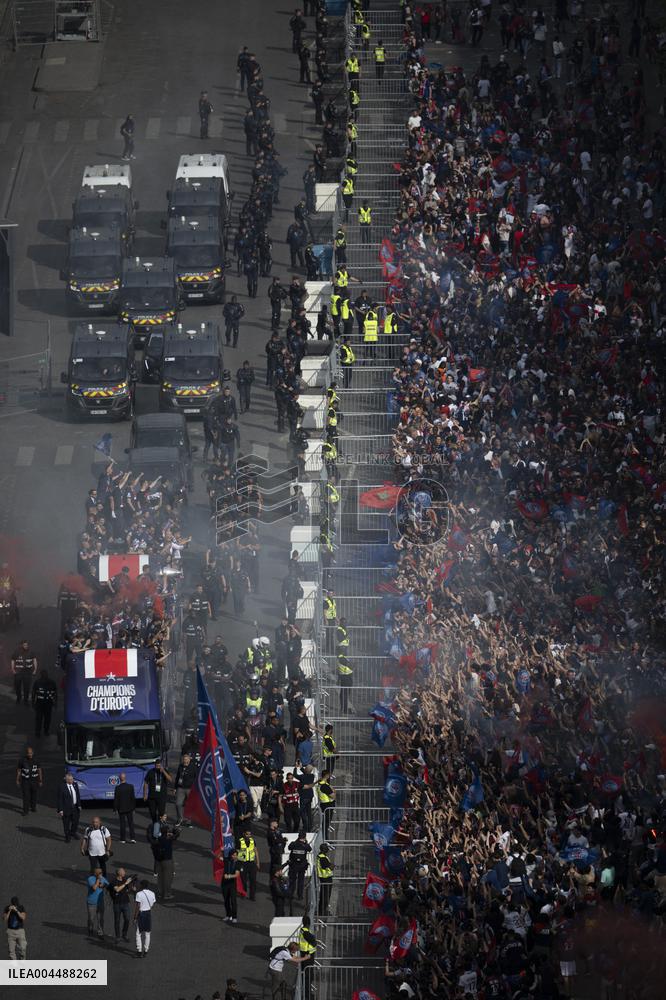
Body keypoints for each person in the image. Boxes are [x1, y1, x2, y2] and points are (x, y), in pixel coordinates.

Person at [110, 868, 135, 944]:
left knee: (127, 919)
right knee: (117, 921)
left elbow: (128, 890)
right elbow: (117, 890)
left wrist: (132, 887)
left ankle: (124, 934)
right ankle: (118, 937)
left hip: (125, 903)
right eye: (123, 872)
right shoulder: (113, 881)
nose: (125, 873)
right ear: (119, 873)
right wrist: (125, 884)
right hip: (117, 904)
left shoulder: (125, 880)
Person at [16, 746, 42, 815]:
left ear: (33, 753)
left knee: (34, 794)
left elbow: (39, 770)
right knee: (26, 796)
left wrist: (40, 780)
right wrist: (17, 779)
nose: (29, 754)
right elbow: (19, 770)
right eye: (28, 753)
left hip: (34, 780)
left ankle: (33, 807)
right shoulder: (22, 761)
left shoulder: (36, 760)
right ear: (26, 753)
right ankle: (25, 810)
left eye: (31, 753)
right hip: (25, 781)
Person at [56, 771, 81, 842]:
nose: (71, 781)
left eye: (72, 779)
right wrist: (60, 810)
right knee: (66, 824)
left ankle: (73, 832)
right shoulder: (61, 787)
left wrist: (79, 805)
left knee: (75, 822)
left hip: (75, 808)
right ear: (66, 780)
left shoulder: (75, 785)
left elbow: (78, 796)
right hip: (66, 809)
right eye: (70, 780)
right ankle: (67, 836)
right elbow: (59, 799)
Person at [31, 668, 56, 737]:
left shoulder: (51, 682)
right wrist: (33, 702)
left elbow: (55, 693)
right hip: (40, 703)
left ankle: (45, 731)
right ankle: (38, 732)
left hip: (48, 703)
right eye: (43, 674)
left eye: (45, 674)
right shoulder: (37, 682)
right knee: (39, 718)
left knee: (47, 719)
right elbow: (33, 693)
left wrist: (55, 703)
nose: (44, 675)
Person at [287, 829, 311, 901]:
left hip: (293, 865)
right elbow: (310, 849)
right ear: (304, 837)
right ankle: (300, 896)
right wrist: (305, 843)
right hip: (302, 866)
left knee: (292, 881)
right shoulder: (305, 846)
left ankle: (291, 894)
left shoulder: (293, 844)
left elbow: (289, 848)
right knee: (301, 881)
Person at [174, 752, 197, 826]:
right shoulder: (180, 766)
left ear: (189, 760)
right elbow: (177, 777)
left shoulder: (193, 767)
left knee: (189, 805)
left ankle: (188, 821)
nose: (184, 761)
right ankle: (180, 819)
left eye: (186, 759)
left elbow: (196, 778)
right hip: (180, 788)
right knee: (178, 803)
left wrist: (195, 789)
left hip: (190, 789)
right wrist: (175, 788)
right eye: (183, 759)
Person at [134, 880, 156, 956]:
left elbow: (137, 906)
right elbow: (152, 904)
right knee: (147, 933)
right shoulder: (152, 893)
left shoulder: (139, 894)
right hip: (148, 913)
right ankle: (146, 950)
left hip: (141, 914)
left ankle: (139, 950)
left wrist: (135, 917)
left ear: (141, 885)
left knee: (138, 933)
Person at [113, 772, 136, 843]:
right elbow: (133, 798)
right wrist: (134, 808)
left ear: (120, 779)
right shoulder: (131, 786)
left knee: (122, 824)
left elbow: (116, 799)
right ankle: (132, 838)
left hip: (121, 808)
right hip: (129, 808)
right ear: (125, 778)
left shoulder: (117, 788)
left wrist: (115, 809)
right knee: (131, 824)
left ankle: (123, 839)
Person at [11, 639, 37, 706]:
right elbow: (13, 660)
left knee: (27, 687)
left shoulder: (31, 652)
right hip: (18, 672)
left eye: (27, 645)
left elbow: (34, 660)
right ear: (21, 645)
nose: (26, 646)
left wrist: (35, 670)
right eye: (25, 645)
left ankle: (26, 700)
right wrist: (13, 669)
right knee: (17, 686)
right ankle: (18, 698)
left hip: (27, 672)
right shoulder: (17, 652)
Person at [237, 828, 260, 901]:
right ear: (244, 834)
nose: (249, 836)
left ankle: (252, 896)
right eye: (247, 834)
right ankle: (243, 893)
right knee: (243, 880)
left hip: (251, 863)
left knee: (253, 880)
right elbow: (236, 851)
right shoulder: (240, 841)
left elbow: (256, 851)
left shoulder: (253, 841)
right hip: (243, 863)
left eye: (250, 834)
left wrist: (258, 862)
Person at [86, 867, 108, 939]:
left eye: (101, 872)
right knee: (91, 918)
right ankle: (90, 929)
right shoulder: (90, 879)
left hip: (100, 902)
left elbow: (108, 885)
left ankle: (100, 933)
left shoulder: (103, 878)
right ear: (95, 873)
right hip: (92, 902)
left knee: (101, 918)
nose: (101, 874)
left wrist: (104, 885)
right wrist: (98, 880)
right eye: (99, 873)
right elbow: (94, 888)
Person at [221, 848, 240, 923]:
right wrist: (221, 851)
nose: (235, 856)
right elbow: (217, 857)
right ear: (230, 855)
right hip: (224, 884)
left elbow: (237, 875)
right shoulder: (226, 860)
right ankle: (228, 915)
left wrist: (228, 876)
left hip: (232, 884)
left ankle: (234, 917)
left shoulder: (237, 863)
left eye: (236, 855)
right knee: (226, 900)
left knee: (233, 900)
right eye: (233, 855)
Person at [317, 771, 335, 840]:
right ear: (327, 776)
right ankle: (325, 839)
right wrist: (334, 791)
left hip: (324, 805)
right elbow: (333, 796)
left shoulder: (321, 783)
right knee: (326, 824)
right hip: (328, 806)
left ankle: (325, 838)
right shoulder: (324, 786)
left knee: (326, 824)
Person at [317, 843, 334, 912]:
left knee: (323, 895)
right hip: (326, 878)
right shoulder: (323, 858)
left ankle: (322, 910)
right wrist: (332, 865)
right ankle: (323, 911)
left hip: (323, 878)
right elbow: (331, 867)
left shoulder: (320, 856)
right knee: (326, 896)